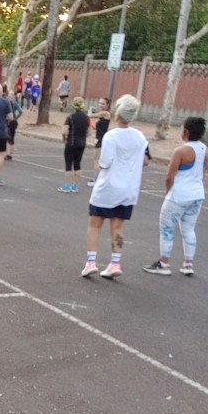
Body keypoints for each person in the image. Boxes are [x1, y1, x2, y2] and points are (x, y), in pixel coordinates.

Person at [82, 94, 150, 279]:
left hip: (108, 187)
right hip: (128, 189)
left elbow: (104, 162)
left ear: (118, 113)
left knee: (95, 223)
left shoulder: (111, 136)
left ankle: (90, 262)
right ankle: (115, 262)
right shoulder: (140, 137)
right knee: (118, 226)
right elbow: (145, 160)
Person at [144, 117, 208, 276]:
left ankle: (164, 262)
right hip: (197, 194)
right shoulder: (205, 150)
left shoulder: (180, 151)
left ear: (186, 132)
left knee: (166, 228)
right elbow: (204, 170)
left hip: (179, 194)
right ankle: (188, 263)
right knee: (188, 228)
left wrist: (168, 191)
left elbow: (169, 176)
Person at [59, 97, 90, 192]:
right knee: (77, 164)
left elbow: (64, 131)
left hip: (71, 142)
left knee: (68, 164)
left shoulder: (70, 117)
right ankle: (75, 186)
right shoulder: (86, 118)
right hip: (82, 143)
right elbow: (90, 132)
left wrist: (64, 139)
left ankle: (67, 186)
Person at [87, 97, 112, 187]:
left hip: (101, 139)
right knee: (98, 159)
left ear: (108, 105)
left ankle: (97, 179)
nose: (100, 105)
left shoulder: (105, 113)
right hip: (99, 138)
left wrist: (90, 111)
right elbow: (96, 127)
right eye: (100, 103)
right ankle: (99, 178)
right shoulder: (101, 116)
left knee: (96, 160)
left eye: (103, 104)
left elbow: (90, 115)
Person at [4, 87, 22, 160]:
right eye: (9, 94)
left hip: (10, 121)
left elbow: (20, 111)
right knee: (11, 138)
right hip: (13, 121)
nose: (10, 96)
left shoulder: (11, 103)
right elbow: (20, 111)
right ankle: (10, 154)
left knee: (9, 137)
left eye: (11, 94)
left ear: (14, 96)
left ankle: (8, 154)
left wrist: (15, 118)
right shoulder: (14, 103)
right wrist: (16, 118)